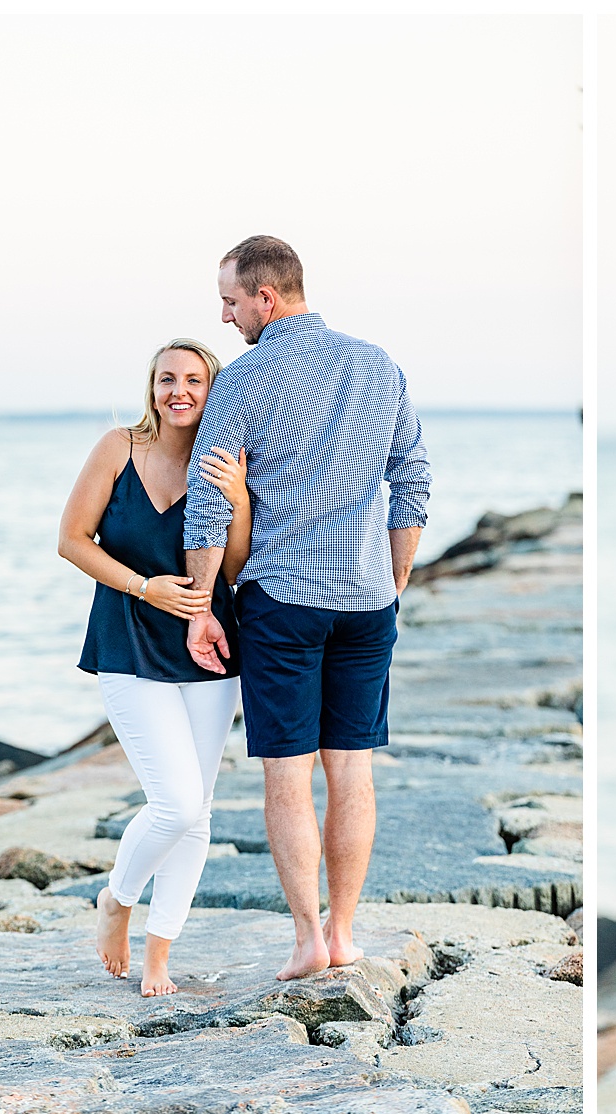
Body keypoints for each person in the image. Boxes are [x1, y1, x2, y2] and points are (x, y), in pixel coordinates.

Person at [181, 235, 431, 982]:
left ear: (267, 296)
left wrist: (201, 607)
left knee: (286, 777)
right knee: (352, 770)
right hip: (365, 602)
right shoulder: (377, 365)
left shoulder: (247, 379)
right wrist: (394, 577)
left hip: (283, 601)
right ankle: (345, 932)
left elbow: (206, 502)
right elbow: (413, 476)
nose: (225, 317)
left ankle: (304, 940)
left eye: (230, 301)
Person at [58, 338, 253, 996]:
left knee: (198, 815)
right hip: (127, 641)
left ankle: (159, 954)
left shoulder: (223, 459)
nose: (180, 391)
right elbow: (71, 541)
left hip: (209, 647)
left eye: (195, 380)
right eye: (167, 378)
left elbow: (235, 568)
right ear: (151, 387)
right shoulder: (119, 447)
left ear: (213, 389)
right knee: (174, 802)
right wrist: (146, 588)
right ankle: (116, 899)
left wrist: (240, 496)